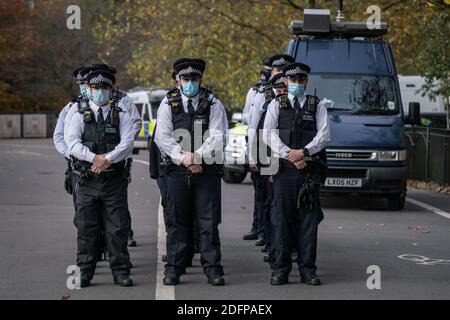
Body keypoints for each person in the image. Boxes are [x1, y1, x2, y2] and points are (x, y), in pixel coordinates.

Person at [154, 58, 228, 286]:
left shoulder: (213, 103)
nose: (190, 83)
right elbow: (162, 137)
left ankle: (213, 269)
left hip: (206, 172)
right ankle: (174, 268)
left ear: (201, 79)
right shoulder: (168, 103)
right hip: (176, 171)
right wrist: (184, 158)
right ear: (178, 81)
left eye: (194, 79)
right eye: (186, 79)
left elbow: (219, 136)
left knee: (208, 222)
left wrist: (196, 156)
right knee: (177, 222)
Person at [263, 62, 330, 285]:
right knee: (281, 221)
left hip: (309, 171)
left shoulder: (316, 105)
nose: (297, 84)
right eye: (293, 80)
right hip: (284, 171)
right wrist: (288, 154)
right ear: (286, 82)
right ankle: (280, 269)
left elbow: (324, 136)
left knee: (308, 223)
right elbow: (268, 135)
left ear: (306, 82)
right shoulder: (276, 104)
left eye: (301, 80)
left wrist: (303, 152)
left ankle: (307, 270)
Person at [67, 69, 135, 287]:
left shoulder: (121, 113)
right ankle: (85, 272)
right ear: (88, 89)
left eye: (105, 88)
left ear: (111, 89)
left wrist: (107, 159)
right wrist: (94, 157)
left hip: (113, 179)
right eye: (96, 88)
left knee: (117, 229)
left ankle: (121, 272)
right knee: (87, 229)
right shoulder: (77, 113)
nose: (100, 92)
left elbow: (127, 144)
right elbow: (72, 143)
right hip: (87, 180)